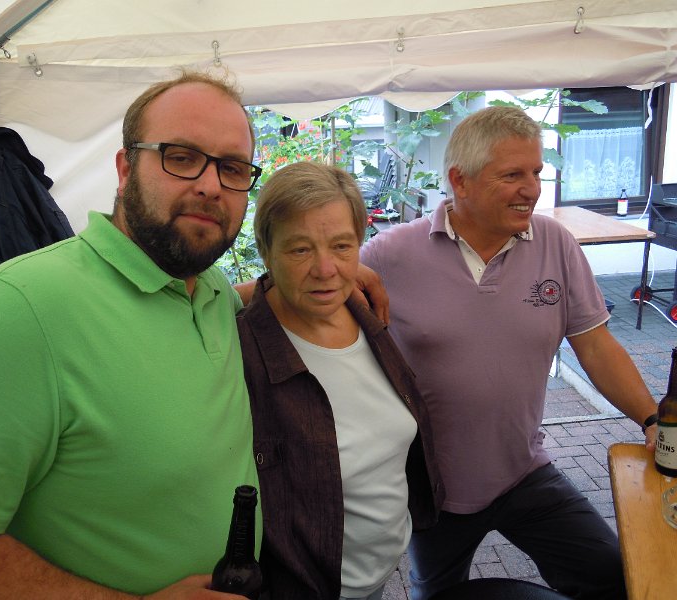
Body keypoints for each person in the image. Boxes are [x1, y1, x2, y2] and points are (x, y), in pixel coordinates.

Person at [0, 70, 265, 599]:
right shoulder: (15, 311)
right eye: (181, 157)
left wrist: (328, 274)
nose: (210, 185)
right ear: (125, 169)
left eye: (233, 168)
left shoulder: (209, 291)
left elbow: (230, 300)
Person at [360, 105, 660, 600]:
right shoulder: (390, 254)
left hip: (523, 471)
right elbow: (320, 301)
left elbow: (596, 345)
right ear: (460, 180)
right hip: (433, 489)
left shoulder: (555, 243)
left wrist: (652, 420)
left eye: (536, 173)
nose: (532, 189)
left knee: (614, 575)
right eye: (512, 175)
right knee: (436, 594)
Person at [237, 162, 444, 600]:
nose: (326, 268)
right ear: (266, 252)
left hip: (380, 572)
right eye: (300, 249)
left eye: (342, 245)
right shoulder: (240, 351)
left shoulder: (361, 311)